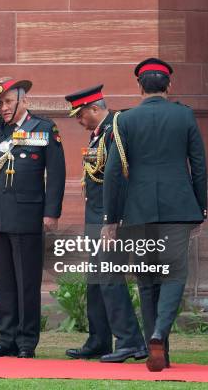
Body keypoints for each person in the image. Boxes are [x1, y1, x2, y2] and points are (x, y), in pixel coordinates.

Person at [102, 58, 208, 371]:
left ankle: (156, 344)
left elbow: (112, 173)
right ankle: (160, 334)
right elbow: (198, 165)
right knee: (174, 275)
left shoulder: (124, 120)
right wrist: (199, 208)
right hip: (178, 207)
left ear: (140, 87)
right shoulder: (184, 115)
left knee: (147, 282)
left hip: (138, 210)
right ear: (169, 86)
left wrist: (111, 218)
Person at [0, 77, 66, 358]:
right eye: (0, 103)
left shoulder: (43, 128)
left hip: (28, 214)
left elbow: (56, 173)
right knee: (4, 281)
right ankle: (6, 338)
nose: (4, 108)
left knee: (26, 281)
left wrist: (51, 212)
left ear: (25, 101)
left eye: (8, 102)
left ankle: (26, 342)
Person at [63, 85, 147, 363]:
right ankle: (99, 339)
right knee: (96, 281)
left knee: (110, 278)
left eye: (80, 114)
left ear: (95, 109)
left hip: (111, 218)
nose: (78, 120)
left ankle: (130, 341)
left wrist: (113, 219)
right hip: (96, 215)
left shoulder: (116, 131)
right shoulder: (100, 134)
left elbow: (120, 176)